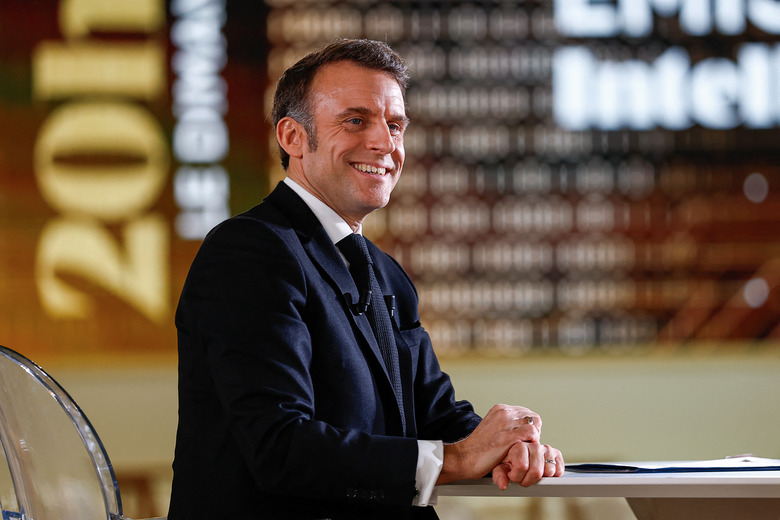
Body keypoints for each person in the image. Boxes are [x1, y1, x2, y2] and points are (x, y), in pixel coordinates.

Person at [168, 38, 564, 520]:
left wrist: (507, 445)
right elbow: (279, 446)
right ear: (293, 137)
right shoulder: (248, 251)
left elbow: (434, 413)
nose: (385, 143)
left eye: (395, 125)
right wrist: (459, 458)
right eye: (356, 120)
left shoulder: (385, 272)